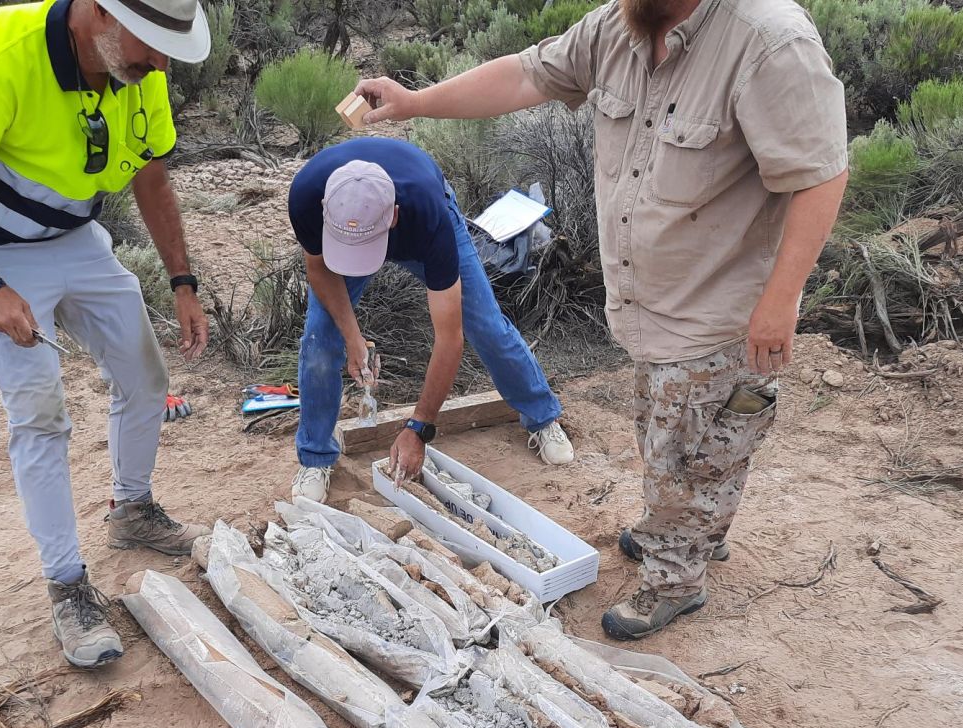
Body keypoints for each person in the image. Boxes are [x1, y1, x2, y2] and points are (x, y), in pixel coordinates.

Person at [354, 0, 849, 639]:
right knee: (675, 430)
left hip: (718, 307)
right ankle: (694, 531)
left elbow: (819, 176)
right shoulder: (624, 21)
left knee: (690, 447)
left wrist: (780, 303)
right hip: (649, 302)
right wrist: (417, 101)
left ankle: (676, 579)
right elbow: (527, 75)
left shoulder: (769, 42)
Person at [0, 0, 212, 668]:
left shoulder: (137, 68)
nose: (159, 65)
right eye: (149, 46)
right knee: (40, 414)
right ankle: (68, 586)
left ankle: (132, 510)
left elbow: (150, 173)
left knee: (144, 375)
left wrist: (183, 282)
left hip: (74, 237)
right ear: (95, 13)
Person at [286, 136, 575, 504]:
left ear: (392, 215)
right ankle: (314, 457)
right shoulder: (307, 196)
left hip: (420, 217)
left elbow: (449, 336)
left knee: (485, 324)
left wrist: (419, 427)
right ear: (326, 208)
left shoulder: (426, 215)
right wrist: (352, 338)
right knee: (319, 341)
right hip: (345, 229)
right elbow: (320, 270)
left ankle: (542, 416)